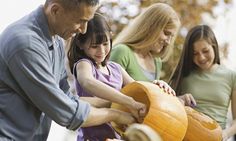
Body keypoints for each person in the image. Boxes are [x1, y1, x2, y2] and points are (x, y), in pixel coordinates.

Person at [0, 0, 138, 140]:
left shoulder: (57, 42)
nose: (83, 30)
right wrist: (116, 114)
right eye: (80, 21)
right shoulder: (26, 44)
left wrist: (115, 104)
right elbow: (66, 111)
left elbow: (68, 98)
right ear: (55, 10)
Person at [67, 13, 147, 141]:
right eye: (94, 46)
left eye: (105, 44)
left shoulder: (117, 69)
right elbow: (88, 82)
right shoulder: (84, 65)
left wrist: (157, 85)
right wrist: (128, 102)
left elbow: (139, 89)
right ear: (80, 44)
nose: (101, 51)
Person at [168, 25, 236, 141]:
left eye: (205, 51)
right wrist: (179, 99)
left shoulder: (231, 76)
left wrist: (225, 134)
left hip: (217, 138)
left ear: (214, 46)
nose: (201, 58)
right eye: (195, 53)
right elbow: (168, 106)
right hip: (186, 137)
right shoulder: (184, 75)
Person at [110, 3, 180, 95]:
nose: (168, 42)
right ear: (151, 27)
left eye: (171, 36)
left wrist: (164, 92)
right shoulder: (122, 52)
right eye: (166, 33)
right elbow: (108, 93)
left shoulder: (157, 61)